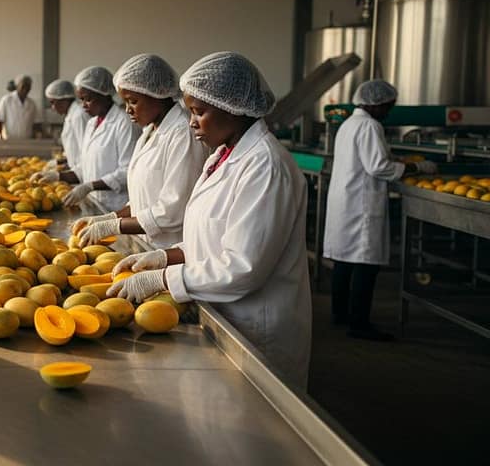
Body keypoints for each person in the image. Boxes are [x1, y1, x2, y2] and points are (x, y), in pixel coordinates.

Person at [107, 51, 312, 388]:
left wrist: (163, 279)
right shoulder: (222, 155)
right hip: (223, 315)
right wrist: (165, 255)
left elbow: (242, 267)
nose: (190, 122)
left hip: (256, 329)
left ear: (232, 108)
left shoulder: (265, 167)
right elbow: (211, 239)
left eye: (198, 112)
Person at [323, 79, 436, 341]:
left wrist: (394, 159)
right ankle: (359, 324)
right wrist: (418, 168)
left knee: (344, 261)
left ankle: (340, 314)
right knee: (365, 263)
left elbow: (370, 158)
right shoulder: (370, 126)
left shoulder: (349, 124)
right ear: (376, 104)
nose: (388, 112)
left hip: (345, 201)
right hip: (361, 203)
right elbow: (378, 167)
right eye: (388, 107)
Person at [72, 54, 209, 249]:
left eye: (133, 101)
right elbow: (142, 200)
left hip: (168, 248)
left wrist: (115, 226)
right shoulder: (149, 131)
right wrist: (110, 218)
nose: (127, 110)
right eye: (125, 102)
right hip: (145, 244)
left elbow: (172, 211)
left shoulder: (182, 134)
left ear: (157, 94)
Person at [32, 66, 138, 212]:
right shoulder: (91, 123)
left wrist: (90, 186)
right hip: (95, 201)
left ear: (104, 94)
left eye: (87, 99)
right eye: (81, 100)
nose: (83, 105)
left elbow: (128, 171)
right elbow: (85, 166)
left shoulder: (124, 123)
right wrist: (58, 176)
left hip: (117, 206)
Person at [41, 79, 90, 173]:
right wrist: (61, 162)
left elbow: (86, 152)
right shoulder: (71, 115)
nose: (52, 107)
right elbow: (74, 150)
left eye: (53, 102)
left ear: (64, 100)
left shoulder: (79, 115)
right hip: (77, 170)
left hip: (82, 172)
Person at [0, 74, 43, 140]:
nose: (25, 89)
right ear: (17, 86)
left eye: (28, 87)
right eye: (23, 86)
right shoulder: (6, 100)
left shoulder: (32, 103)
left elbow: (37, 123)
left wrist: (38, 137)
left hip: (27, 140)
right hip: (8, 139)